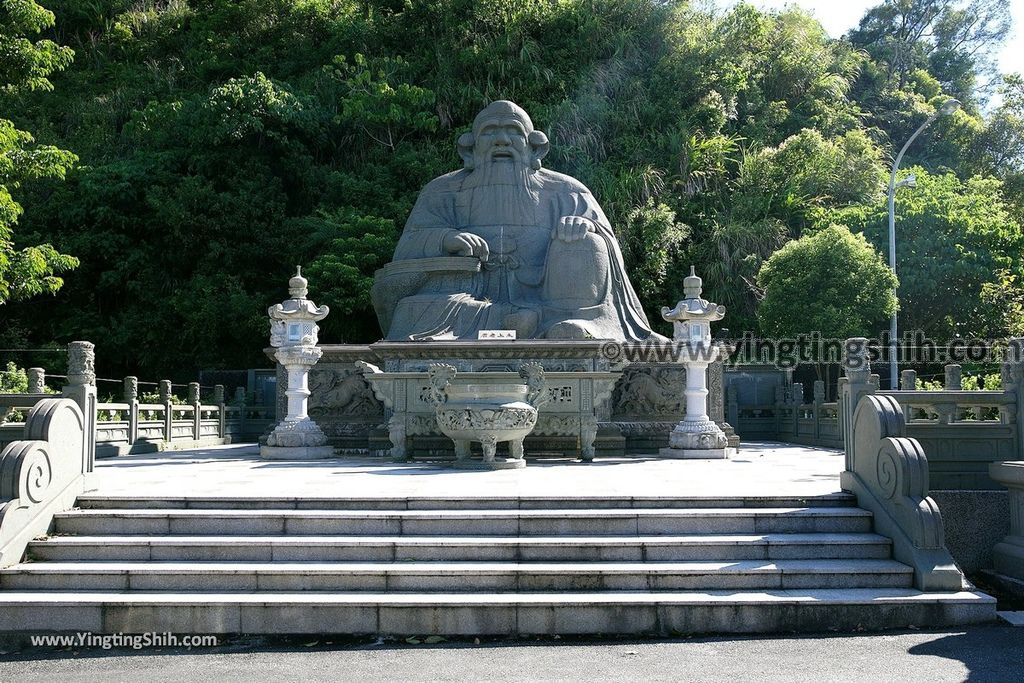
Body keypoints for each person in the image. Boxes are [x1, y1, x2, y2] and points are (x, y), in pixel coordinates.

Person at [372, 100, 660, 341]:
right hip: (469, 298)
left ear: (534, 148)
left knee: (586, 240)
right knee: (410, 311)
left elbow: (611, 252)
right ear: (469, 150)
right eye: (489, 132)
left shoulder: (567, 190)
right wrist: (445, 238)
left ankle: (572, 322)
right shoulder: (442, 190)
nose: (501, 140)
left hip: (550, 301)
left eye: (513, 131)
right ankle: (517, 321)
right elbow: (407, 249)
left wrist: (585, 226)